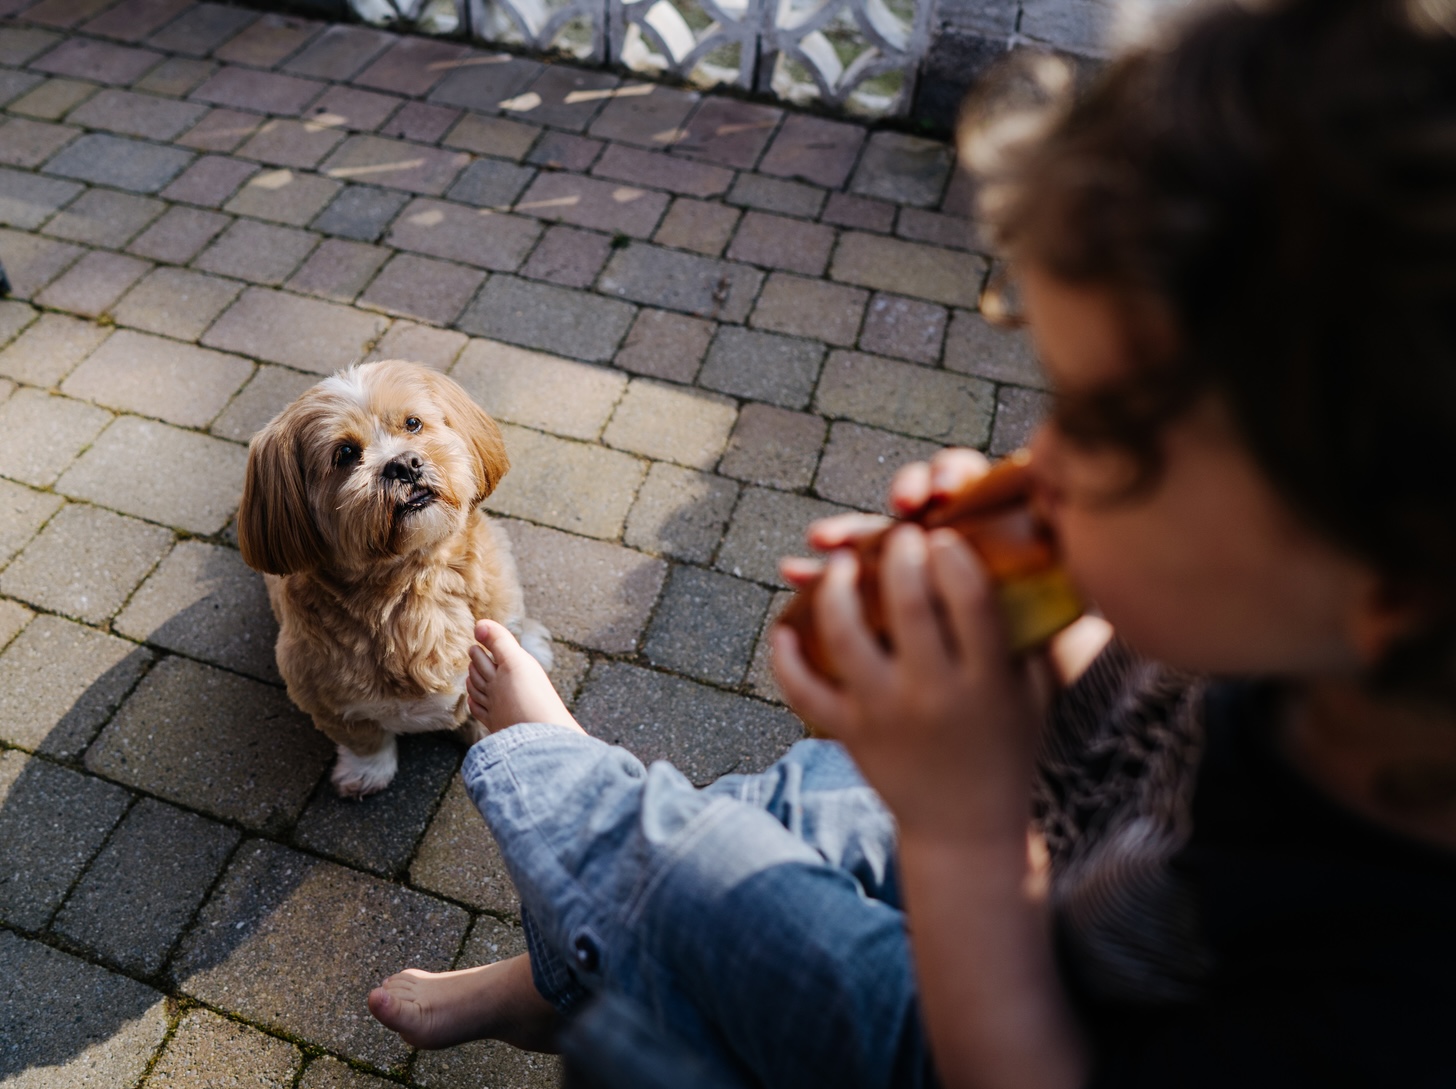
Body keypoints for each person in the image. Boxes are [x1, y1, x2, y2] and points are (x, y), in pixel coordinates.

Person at [367, 0, 1456, 1083]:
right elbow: (1141, 721)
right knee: (807, 796)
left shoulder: (1381, 1005)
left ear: (1389, 584)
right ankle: (553, 977)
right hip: (1045, 860)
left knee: (683, 907)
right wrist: (1020, 625)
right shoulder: (1295, 626)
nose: (1039, 456)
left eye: (1105, 434)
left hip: (1001, 1005)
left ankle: (565, 814)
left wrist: (963, 829)